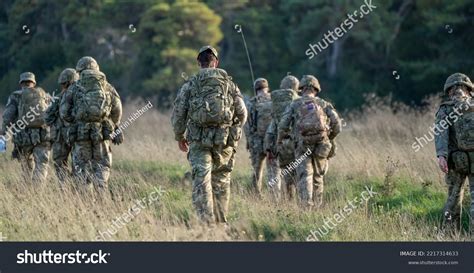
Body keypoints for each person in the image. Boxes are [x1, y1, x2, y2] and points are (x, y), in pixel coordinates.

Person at [171, 46, 247, 224]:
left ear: (199, 62)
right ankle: (221, 222)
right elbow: (243, 112)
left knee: (201, 178)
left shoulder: (190, 84)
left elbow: (178, 114)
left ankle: (205, 224)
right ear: (216, 62)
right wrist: (235, 131)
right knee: (221, 179)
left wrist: (180, 136)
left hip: (198, 141)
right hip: (224, 141)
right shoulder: (229, 83)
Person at [60, 56, 123, 191]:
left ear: (79, 70)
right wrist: (114, 124)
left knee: (82, 168)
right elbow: (117, 108)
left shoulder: (74, 86)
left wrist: (76, 120)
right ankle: (101, 195)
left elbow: (64, 111)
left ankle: (86, 203)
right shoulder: (107, 86)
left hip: (81, 134)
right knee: (102, 165)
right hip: (102, 133)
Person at [278, 75, 341, 209]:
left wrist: (281, 139)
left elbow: (283, 124)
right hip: (321, 144)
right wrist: (330, 137)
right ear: (316, 89)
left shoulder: (294, 104)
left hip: (302, 144)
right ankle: (317, 207)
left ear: (301, 89)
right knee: (318, 176)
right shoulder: (323, 103)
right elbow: (337, 124)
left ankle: (306, 208)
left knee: (305, 175)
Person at [435, 72, 474, 237]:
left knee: (453, 200)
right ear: (468, 88)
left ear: (449, 89)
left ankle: (451, 236)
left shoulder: (446, 108)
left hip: (455, 162)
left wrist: (441, 156)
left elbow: (440, 133)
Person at [1, 72, 51, 181]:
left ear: (21, 83)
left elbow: (7, 116)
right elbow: (50, 114)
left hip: (23, 137)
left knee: (26, 165)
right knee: (41, 165)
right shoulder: (44, 95)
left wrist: (3, 133)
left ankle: (27, 190)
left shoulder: (16, 95)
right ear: (33, 82)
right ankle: (38, 192)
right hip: (42, 135)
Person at [265, 75, 300, 200]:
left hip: (281, 143)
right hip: (297, 143)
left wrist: (269, 147)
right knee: (300, 174)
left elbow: (272, 127)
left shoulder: (275, 104)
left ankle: (288, 202)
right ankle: (301, 204)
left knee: (287, 176)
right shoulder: (298, 101)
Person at [244, 78, 278, 197]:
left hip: (256, 141)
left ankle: (256, 195)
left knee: (256, 170)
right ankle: (274, 196)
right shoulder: (274, 100)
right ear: (267, 88)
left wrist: (248, 141)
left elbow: (247, 124)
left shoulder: (251, 103)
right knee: (273, 170)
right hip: (272, 142)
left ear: (256, 89)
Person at [45, 68, 79, 181]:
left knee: (60, 165)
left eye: (64, 84)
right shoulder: (82, 95)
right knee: (78, 165)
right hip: (77, 135)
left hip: (61, 136)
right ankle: (76, 186)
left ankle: (65, 188)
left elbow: (47, 117)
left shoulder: (59, 97)